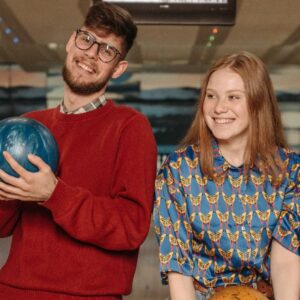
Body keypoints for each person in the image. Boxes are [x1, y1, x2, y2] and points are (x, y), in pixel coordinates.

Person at [0, 1, 157, 299]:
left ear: (118, 68)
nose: (91, 54)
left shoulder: (130, 127)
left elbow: (132, 226)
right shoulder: (29, 125)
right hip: (12, 290)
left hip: (87, 295)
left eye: (107, 50)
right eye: (87, 39)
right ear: (72, 42)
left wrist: (54, 194)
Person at [153, 51, 299, 300]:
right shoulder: (179, 168)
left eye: (233, 97)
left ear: (258, 102)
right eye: (211, 96)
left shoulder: (290, 169)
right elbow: (177, 262)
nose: (219, 107)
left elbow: (286, 260)